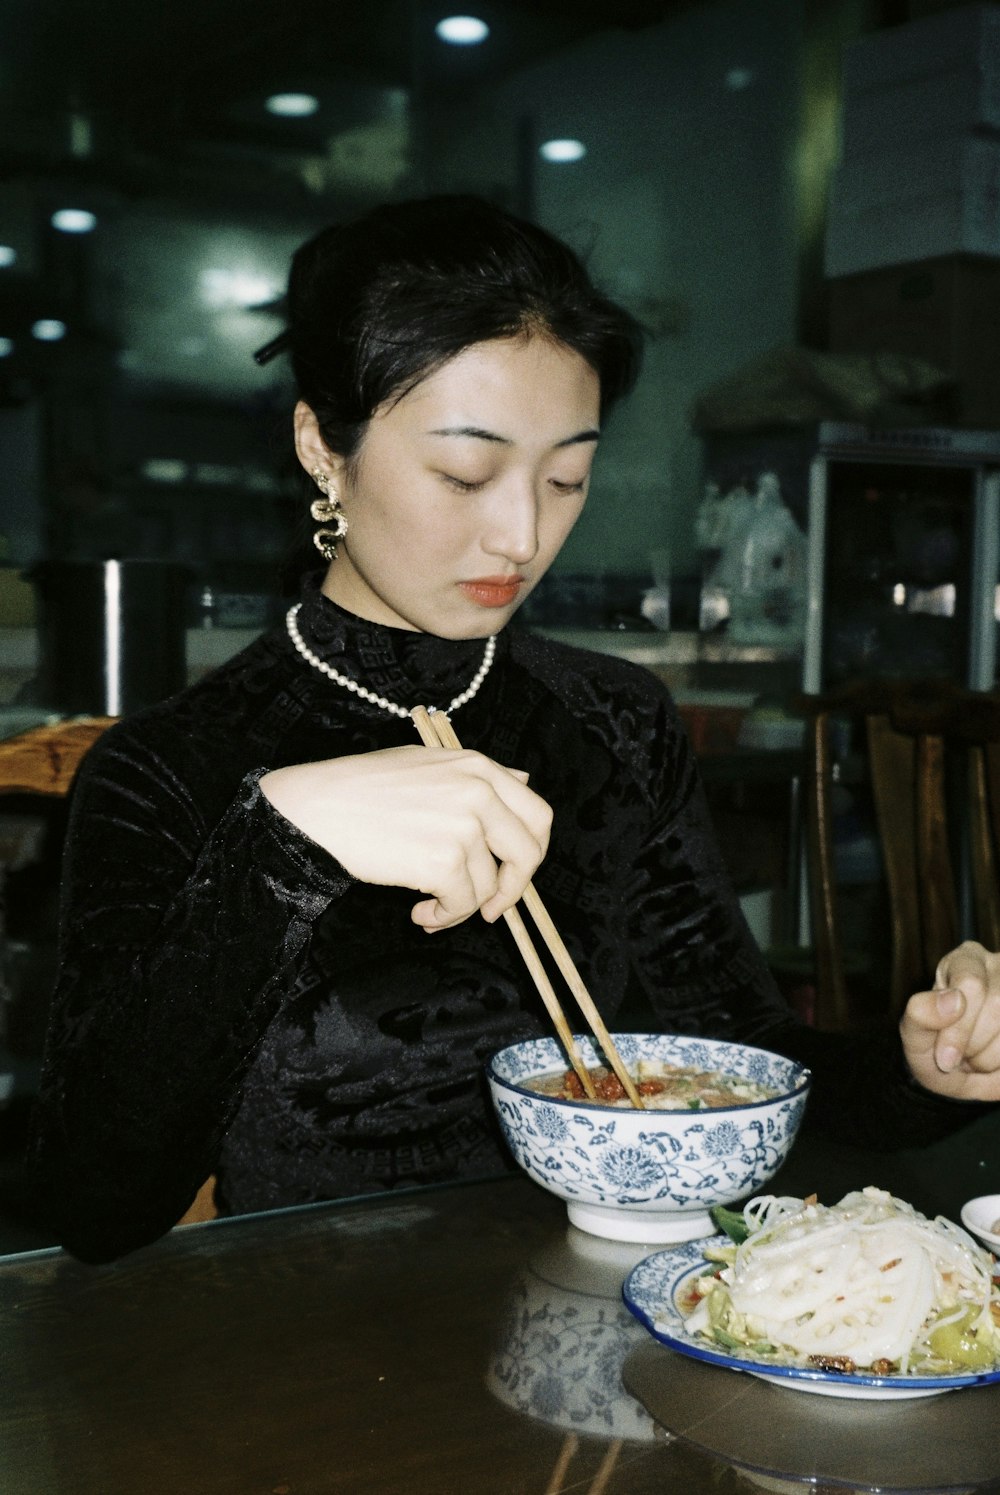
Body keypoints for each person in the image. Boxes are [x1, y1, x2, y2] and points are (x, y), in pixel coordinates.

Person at [28, 196, 1000, 1264]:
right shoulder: (170, 767)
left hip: (616, 1310)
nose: (523, 530)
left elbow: (740, 1060)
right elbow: (94, 1204)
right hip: (316, 1354)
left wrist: (922, 1071)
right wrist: (280, 844)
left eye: (565, 474)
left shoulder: (615, 721)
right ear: (321, 446)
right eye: (464, 471)